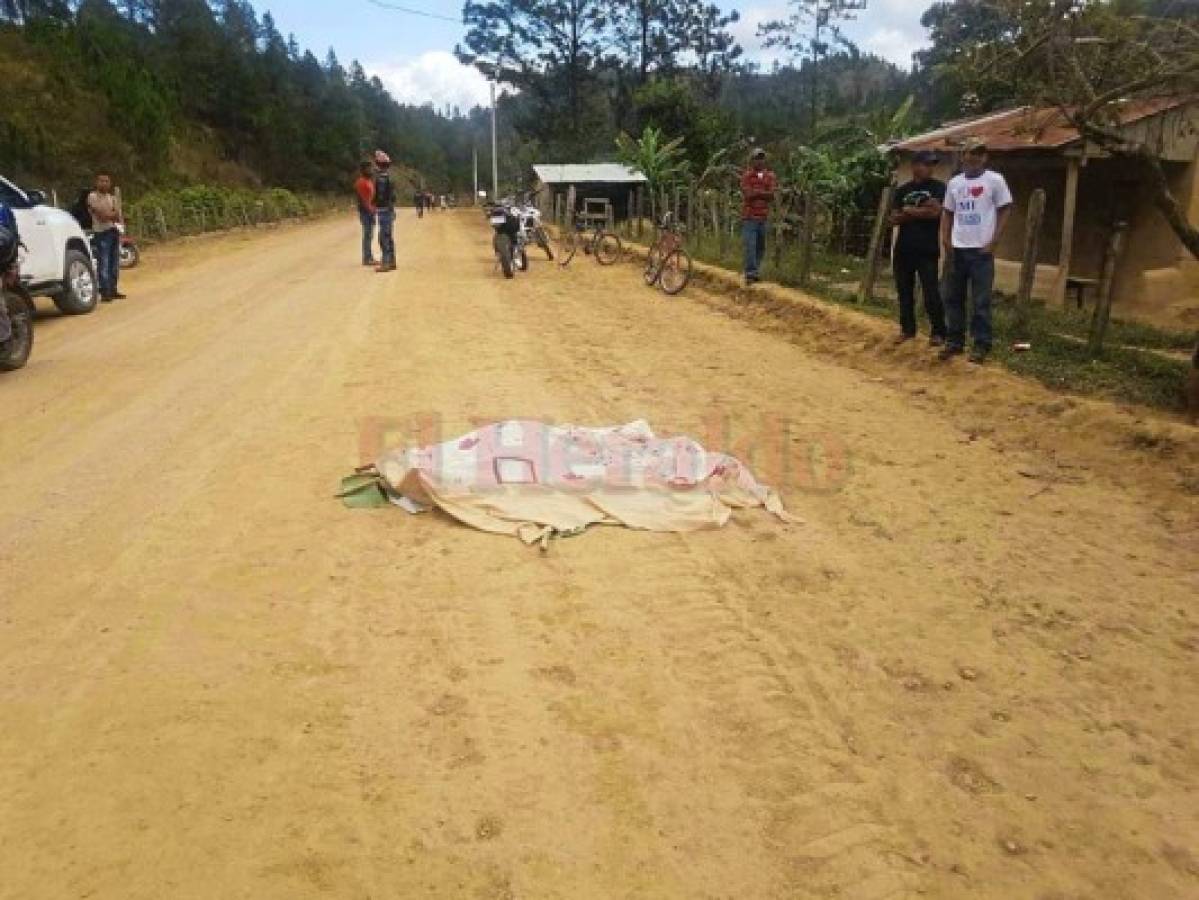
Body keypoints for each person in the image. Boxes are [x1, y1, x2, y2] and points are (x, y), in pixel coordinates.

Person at [939, 140, 1013, 363]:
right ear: (963, 156)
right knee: (953, 298)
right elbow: (948, 213)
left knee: (980, 300)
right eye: (971, 153)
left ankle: (981, 344)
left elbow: (1005, 209)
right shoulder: (954, 183)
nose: (975, 157)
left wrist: (994, 241)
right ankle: (954, 342)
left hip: (981, 251)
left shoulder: (995, 180)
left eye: (979, 153)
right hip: (957, 249)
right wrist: (945, 238)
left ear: (985, 158)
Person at [890, 150, 948, 346]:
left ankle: (938, 332)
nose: (929, 168)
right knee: (904, 292)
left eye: (931, 165)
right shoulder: (902, 190)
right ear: (915, 166)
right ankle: (907, 330)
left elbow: (936, 213)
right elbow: (893, 219)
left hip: (927, 250)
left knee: (931, 292)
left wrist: (909, 211)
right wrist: (921, 211)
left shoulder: (940, 188)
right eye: (925, 164)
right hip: (903, 249)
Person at [740, 148, 777, 285]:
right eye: (757, 158)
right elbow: (747, 195)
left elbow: (772, 195)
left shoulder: (770, 176)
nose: (759, 161)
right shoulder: (747, 176)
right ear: (752, 160)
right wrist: (763, 193)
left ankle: (755, 271)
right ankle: (750, 274)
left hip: (763, 216)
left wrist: (756, 192)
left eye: (761, 158)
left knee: (760, 247)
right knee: (750, 245)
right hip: (749, 216)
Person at [88, 174, 125, 301]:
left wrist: (114, 216)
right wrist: (113, 214)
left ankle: (113, 289)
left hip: (114, 231)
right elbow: (101, 215)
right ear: (97, 183)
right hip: (102, 232)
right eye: (102, 181)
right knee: (104, 262)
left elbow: (118, 216)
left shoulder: (111, 197)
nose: (104, 183)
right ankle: (105, 292)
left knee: (114, 262)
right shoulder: (92, 196)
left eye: (107, 181)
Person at [373, 150, 396, 273]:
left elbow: (380, 196)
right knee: (388, 236)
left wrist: (373, 202)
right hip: (389, 209)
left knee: (383, 237)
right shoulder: (389, 177)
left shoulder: (381, 178)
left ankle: (385, 263)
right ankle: (392, 261)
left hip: (384, 209)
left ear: (378, 164)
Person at [354, 161, 377, 267]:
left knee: (370, 234)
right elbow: (364, 200)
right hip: (366, 212)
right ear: (363, 170)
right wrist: (370, 209)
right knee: (367, 234)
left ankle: (369, 257)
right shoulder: (361, 182)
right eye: (369, 168)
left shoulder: (369, 181)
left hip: (370, 211)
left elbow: (372, 197)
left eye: (371, 168)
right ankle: (367, 258)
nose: (371, 170)